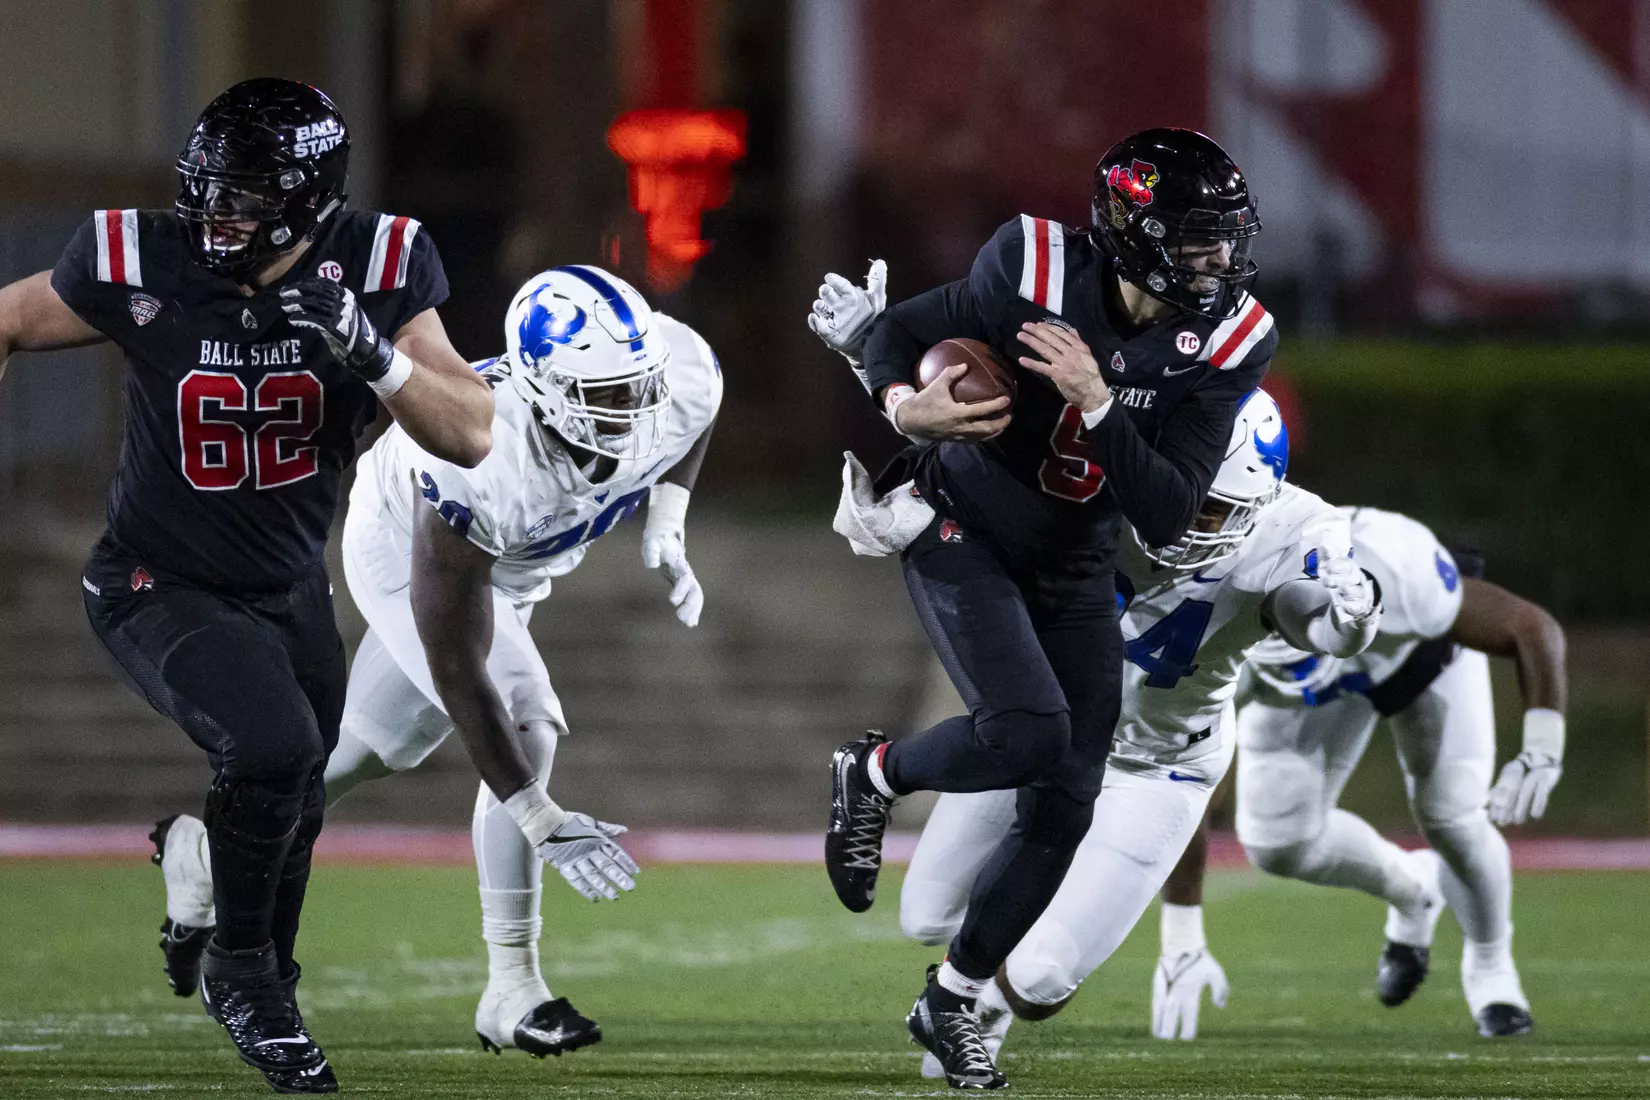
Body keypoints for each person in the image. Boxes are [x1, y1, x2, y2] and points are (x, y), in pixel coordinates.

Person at [0, 78, 494, 1093]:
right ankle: (246, 979)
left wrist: (374, 356)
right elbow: (8, 317)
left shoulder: (382, 263)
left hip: (286, 581)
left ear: (311, 198)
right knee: (274, 748)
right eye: (206, 192)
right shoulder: (140, 256)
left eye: (243, 197)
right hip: (155, 574)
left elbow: (474, 431)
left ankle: (226, 918)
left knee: (295, 789)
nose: (212, 216)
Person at [811, 127, 1280, 1089]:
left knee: (1068, 792)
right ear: (1133, 233)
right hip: (962, 524)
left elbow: (1168, 511)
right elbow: (901, 329)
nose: (1217, 259)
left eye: (1225, 238)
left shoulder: (1231, 338)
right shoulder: (1030, 263)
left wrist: (1101, 405)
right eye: (1195, 239)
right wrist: (906, 408)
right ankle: (875, 771)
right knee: (1026, 732)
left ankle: (949, 1002)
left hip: (1076, 560)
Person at [154, 265, 721, 1057]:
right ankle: (512, 988)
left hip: (518, 562)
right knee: (528, 726)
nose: (633, 413)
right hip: (405, 555)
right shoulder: (477, 457)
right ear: (546, 389)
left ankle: (204, 855)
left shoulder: (677, 369)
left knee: (375, 750)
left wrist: (668, 519)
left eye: (637, 386)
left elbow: (690, 416)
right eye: (608, 395)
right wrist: (535, 811)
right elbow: (457, 656)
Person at [881, 389, 1383, 1076]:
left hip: (1159, 764)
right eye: (1177, 495)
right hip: (1057, 734)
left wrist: (1347, 622)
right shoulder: (1090, 475)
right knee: (926, 915)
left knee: (1041, 979)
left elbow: (1306, 618)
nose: (1184, 523)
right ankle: (980, 947)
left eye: (1210, 508)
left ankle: (975, 1008)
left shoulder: (1294, 530)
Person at [1152, 510, 1566, 1040]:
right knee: (1278, 841)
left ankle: (1491, 968)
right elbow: (1185, 785)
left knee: (1452, 817)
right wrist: (1182, 936)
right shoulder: (1217, 640)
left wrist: (1542, 748)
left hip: (1411, 656)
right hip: (1288, 684)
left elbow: (1531, 626)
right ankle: (1415, 888)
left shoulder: (1401, 571)